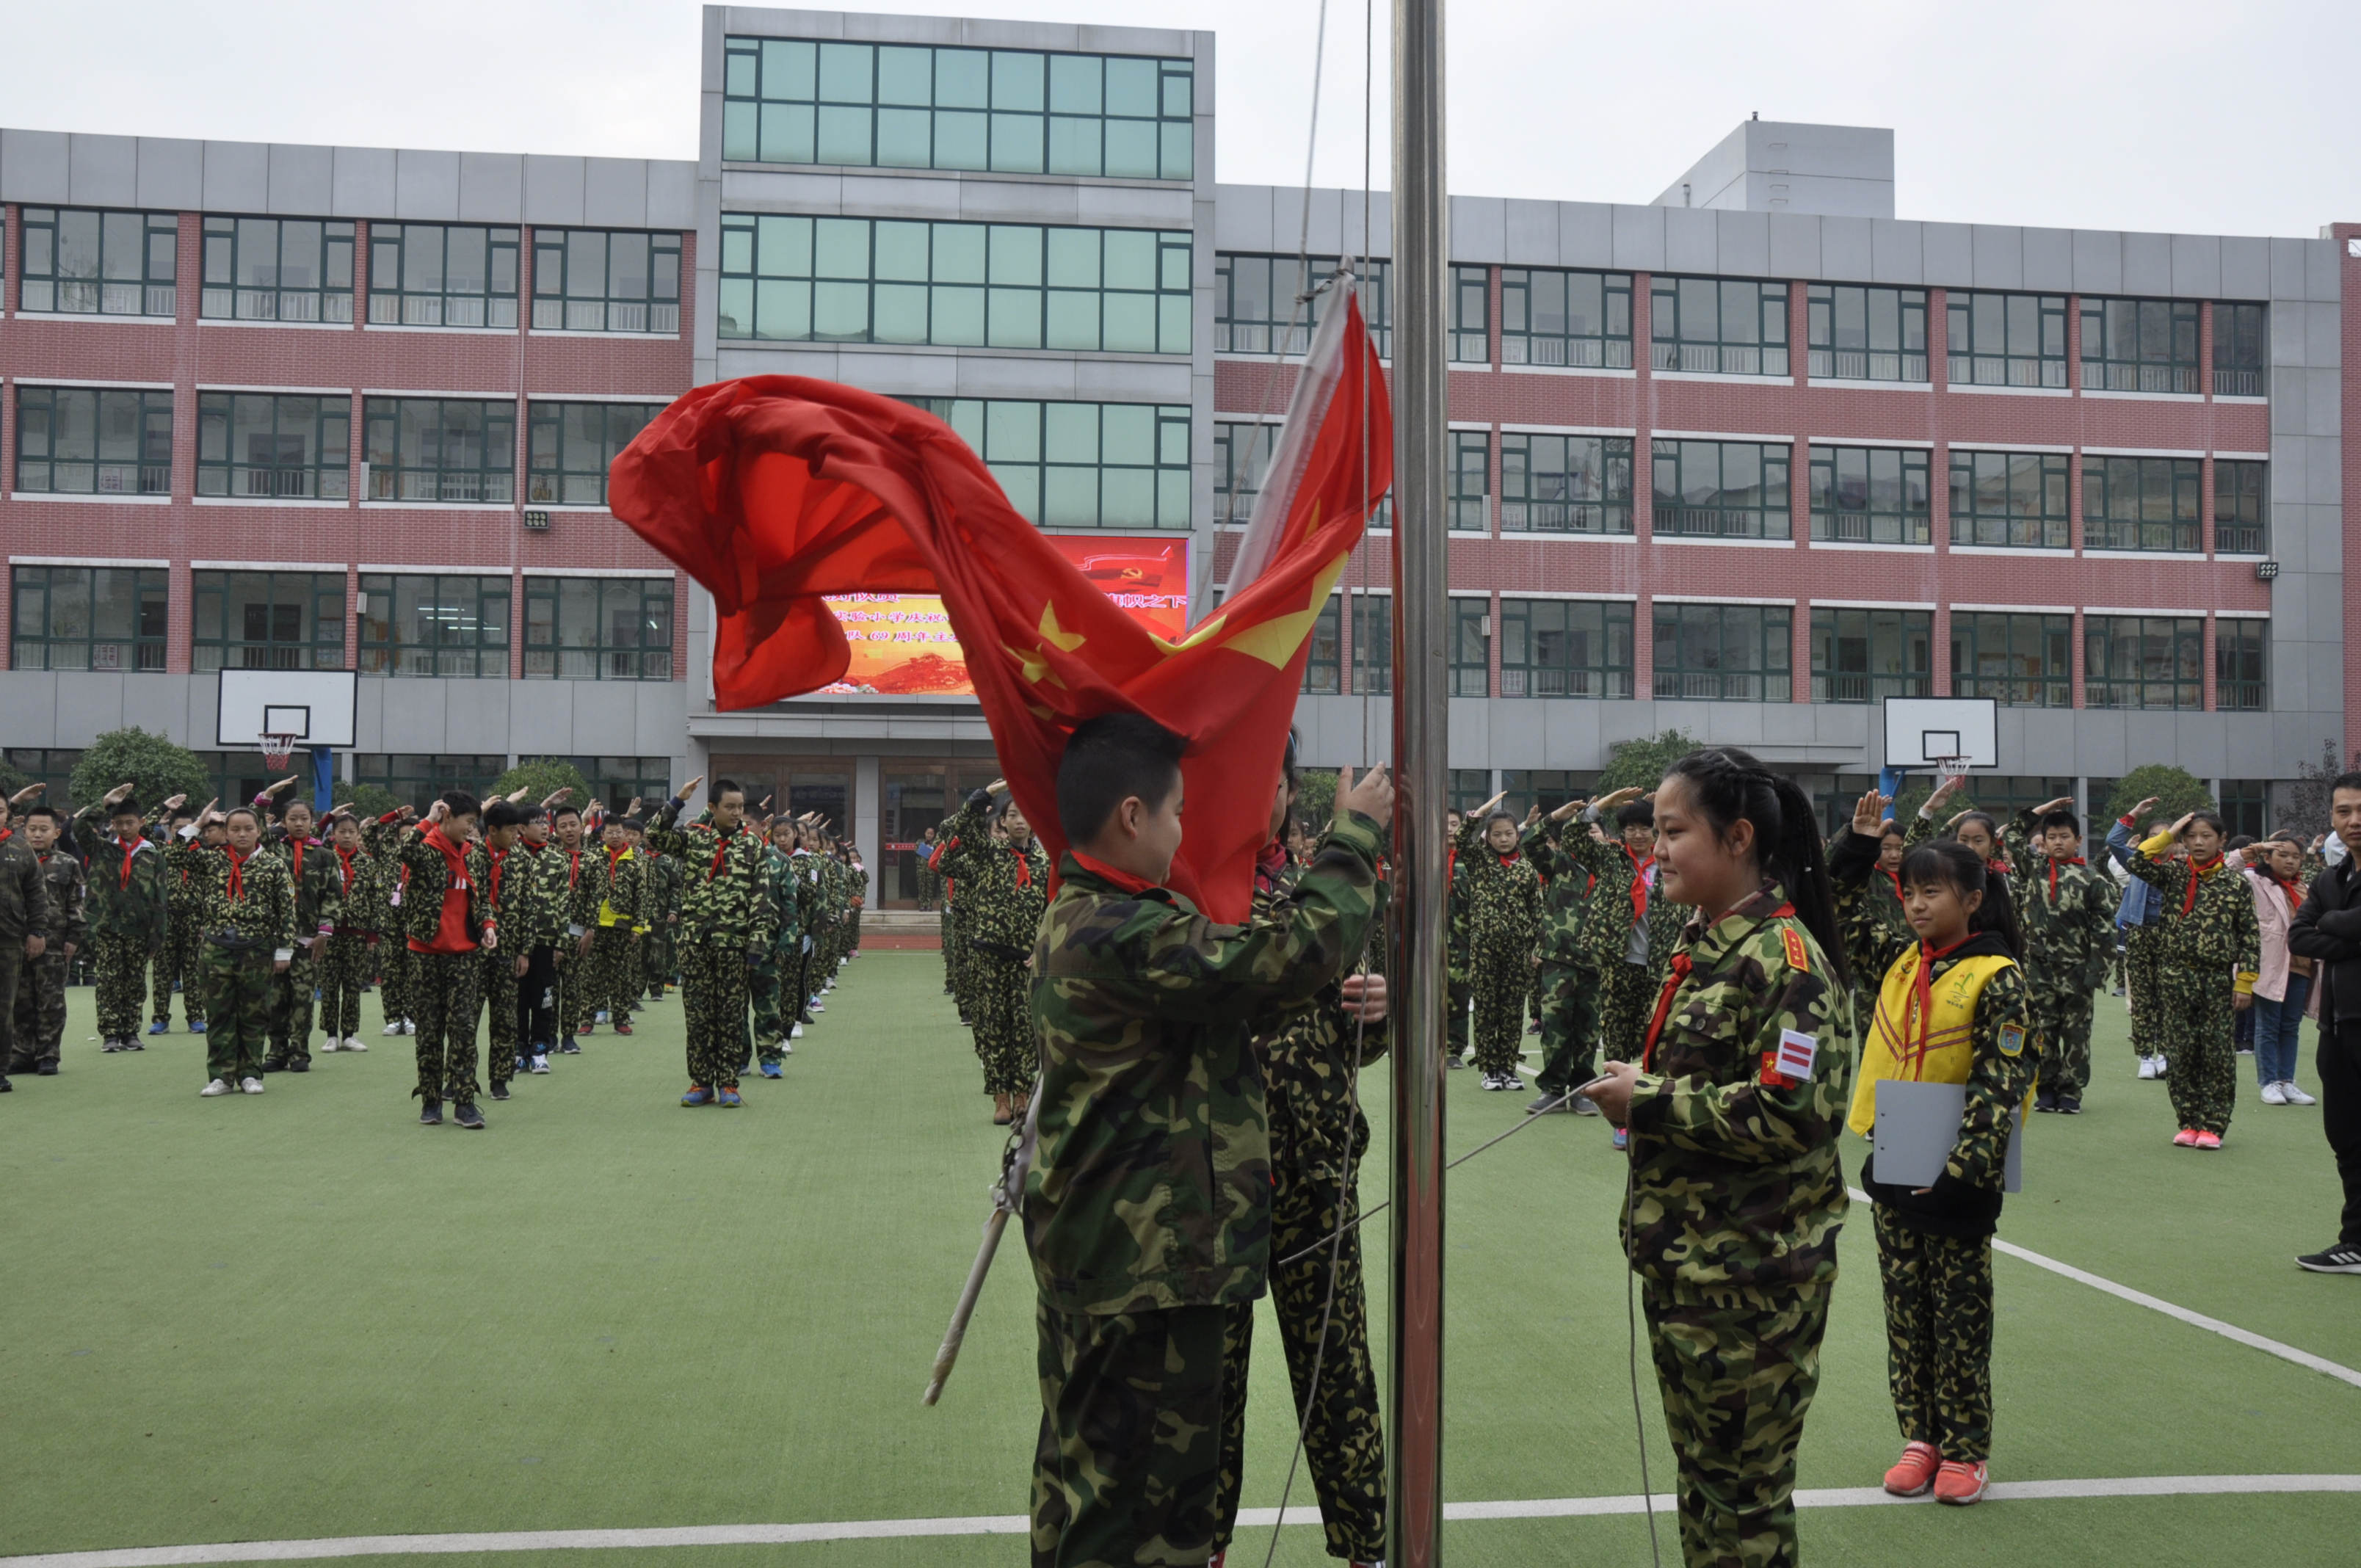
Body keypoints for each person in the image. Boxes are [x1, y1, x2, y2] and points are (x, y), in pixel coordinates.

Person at [1026, 711, 1390, 1567]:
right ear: (1132, 817)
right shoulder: (1124, 927)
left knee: (1111, 1488)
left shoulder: (1101, 915)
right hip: (1148, 1257)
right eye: (1180, 808)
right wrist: (1357, 838)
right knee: (1145, 1498)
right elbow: (1285, 959)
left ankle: (1362, 1538)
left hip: (1182, 1230)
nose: (1191, 823)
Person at [1587, 747, 1853, 1568]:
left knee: (1743, 1499)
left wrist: (1652, 1100)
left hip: (1752, 1285)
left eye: (1673, 831)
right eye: (1655, 831)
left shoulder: (1786, 963)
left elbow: (1795, 1113)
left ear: (1738, 838)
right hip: (1693, 1269)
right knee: (1705, 1481)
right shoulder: (1704, 944)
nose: (1656, 848)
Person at [1211, 736, 1391, 1568]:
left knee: (1338, 1368)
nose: (1262, 799)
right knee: (1208, 1383)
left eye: (1272, 783)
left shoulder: (1321, 884)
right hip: (1212, 1180)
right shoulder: (1190, 895)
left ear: (1290, 790)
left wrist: (1372, 1013)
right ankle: (1202, 1545)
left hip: (1317, 1165)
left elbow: (1358, 1035)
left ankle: (1366, 1543)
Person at [1851, 829, 2037, 1507]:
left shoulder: (1999, 976)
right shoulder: (1904, 960)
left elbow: (2000, 1083)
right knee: (1906, 1313)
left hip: (1960, 1178)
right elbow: (1839, 915)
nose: (1917, 905)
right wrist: (1854, 848)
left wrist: (1963, 1174)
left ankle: (1965, 1448)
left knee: (1959, 1316)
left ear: (1974, 899)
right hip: (1896, 1162)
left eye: (1934, 892)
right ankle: (1920, 1437)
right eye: (1910, 892)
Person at [2119, 802, 2260, 1148]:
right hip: (2174, 977)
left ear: (2221, 840)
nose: (2198, 843)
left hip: (2215, 979)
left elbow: (2250, 936)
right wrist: (2169, 832)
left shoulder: (2234, 883)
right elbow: (2136, 860)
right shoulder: (2174, 874)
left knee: (2217, 1055)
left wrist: (2245, 982)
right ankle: (2188, 1121)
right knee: (2180, 1054)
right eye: (2192, 836)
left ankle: (2213, 1124)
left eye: (2206, 836)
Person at [646, 775, 775, 1106]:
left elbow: (761, 897)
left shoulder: (752, 845)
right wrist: (677, 801)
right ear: (712, 808)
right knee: (699, 1015)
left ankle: (728, 1083)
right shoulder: (693, 838)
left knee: (732, 1016)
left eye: (741, 807)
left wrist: (757, 945)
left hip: (735, 945)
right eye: (729, 807)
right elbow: (654, 836)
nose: (736, 813)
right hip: (695, 944)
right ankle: (701, 1082)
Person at [938, 780, 1049, 1124]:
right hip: (988, 955)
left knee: (1026, 1029)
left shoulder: (1045, 863)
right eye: (1011, 815)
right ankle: (1000, 1098)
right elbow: (959, 829)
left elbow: (1054, 908)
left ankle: (1022, 1095)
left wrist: (1043, 949)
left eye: (1024, 816)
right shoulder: (989, 853)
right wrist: (983, 795)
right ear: (1001, 822)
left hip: (1026, 958)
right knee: (992, 1028)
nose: (1018, 821)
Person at [2288, 773, 2361, 1271]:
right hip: (2336, 1027)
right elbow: (2299, 936)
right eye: (2343, 812)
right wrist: (2346, 931)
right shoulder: (2330, 879)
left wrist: (2331, 925)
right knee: (2346, 1138)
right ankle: (2355, 1239)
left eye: (2360, 810)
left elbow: (2321, 928)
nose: (2354, 822)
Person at [2002, 800, 2114, 1114]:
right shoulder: (2033, 868)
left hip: (2077, 970)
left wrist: (2095, 974)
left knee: (2076, 1034)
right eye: (2051, 837)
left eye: (2064, 836)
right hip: (2039, 969)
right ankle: (2046, 1089)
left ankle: (2071, 1092)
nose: (2057, 842)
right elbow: (2011, 836)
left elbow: (2104, 932)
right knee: (2043, 1031)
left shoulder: (2092, 880)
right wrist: (2041, 811)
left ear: (2078, 840)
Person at [398, 792, 497, 1128]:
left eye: (475, 824)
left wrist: (487, 925)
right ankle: (430, 1101)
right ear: (447, 817)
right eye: (468, 822)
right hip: (425, 954)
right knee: (428, 1031)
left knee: (464, 1031)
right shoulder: (426, 850)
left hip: (465, 957)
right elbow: (404, 851)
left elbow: (481, 898)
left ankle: (465, 1103)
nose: (472, 830)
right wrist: (427, 819)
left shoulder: (474, 855)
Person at [186, 804, 297, 1097]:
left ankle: (250, 1073)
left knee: (255, 1014)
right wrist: (199, 823)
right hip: (216, 948)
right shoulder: (213, 861)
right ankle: (221, 1076)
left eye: (248, 828)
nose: (242, 834)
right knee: (219, 1013)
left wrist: (284, 951)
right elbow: (175, 854)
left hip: (256, 949)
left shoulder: (273, 865)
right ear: (225, 832)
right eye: (235, 829)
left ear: (259, 831)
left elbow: (286, 910)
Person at [1519, 796, 1604, 1114]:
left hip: (1596, 961)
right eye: (1584, 832)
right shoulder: (1561, 863)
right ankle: (1553, 1090)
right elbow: (1527, 843)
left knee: (1588, 1029)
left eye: (1594, 832)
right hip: (1558, 958)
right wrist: (1554, 817)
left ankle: (1582, 1090)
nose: (1589, 837)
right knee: (1555, 1024)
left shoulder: (1611, 867)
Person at [1451, 792, 1540, 1092]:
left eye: (1509, 834)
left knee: (1514, 1010)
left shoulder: (1527, 869)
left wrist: (1536, 949)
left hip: (1518, 950)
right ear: (1488, 838)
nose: (1504, 839)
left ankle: (1509, 1068)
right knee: (1488, 1010)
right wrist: (1477, 815)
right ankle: (1490, 1069)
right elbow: (1462, 839)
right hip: (1485, 949)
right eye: (1497, 834)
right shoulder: (1480, 862)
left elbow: (1536, 912)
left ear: (1518, 835)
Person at [74, 784, 170, 1053]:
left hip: (140, 930)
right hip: (107, 928)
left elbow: (161, 899)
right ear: (113, 825)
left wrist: (157, 935)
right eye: (119, 823)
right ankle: (110, 1034)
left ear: (141, 822)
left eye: (130, 823)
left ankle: (130, 1032)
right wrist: (104, 803)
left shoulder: (153, 855)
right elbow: (79, 827)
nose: (125, 828)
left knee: (135, 981)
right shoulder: (103, 849)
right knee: (107, 981)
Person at [259, 783, 345, 1075]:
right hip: (274, 939)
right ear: (284, 821)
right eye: (293, 818)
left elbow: (333, 896)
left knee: (303, 999)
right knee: (275, 999)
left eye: (304, 818)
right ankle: (276, 1051)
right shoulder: (271, 849)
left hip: (309, 940)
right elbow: (253, 827)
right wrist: (265, 799)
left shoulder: (325, 856)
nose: (298, 823)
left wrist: (324, 933)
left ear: (312, 821)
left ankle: (300, 1053)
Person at [10, 802, 84, 1079]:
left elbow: (76, 905)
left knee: (51, 1001)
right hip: (17, 941)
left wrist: (74, 938)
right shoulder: (13, 859)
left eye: (44, 829)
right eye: (32, 829)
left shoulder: (68, 863)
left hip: (54, 943)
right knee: (20, 1000)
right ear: (22, 830)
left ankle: (48, 1055)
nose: (37, 835)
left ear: (56, 833)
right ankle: (22, 1053)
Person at [2246, 832, 2318, 1107]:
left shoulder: (2306, 889)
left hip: (2301, 965)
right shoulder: (2255, 881)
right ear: (2268, 857)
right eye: (2283, 854)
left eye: (2296, 856)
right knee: (2268, 1025)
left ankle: (2287, 1081)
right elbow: (2228, 866)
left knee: (2290, 1026)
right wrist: (2255, 847)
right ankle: (2268, 1083)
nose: (2290, 861)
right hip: (2271, 965)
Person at [2108, 813, 2177, 1081]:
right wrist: (2133, 814)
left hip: (2170, 937)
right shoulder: (2137, 863)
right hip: (2139, 934)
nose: (2160, 841)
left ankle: (2165, 1054)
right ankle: (2146, 1056)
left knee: (2168, 999)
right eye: (2153, 837)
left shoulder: (2180, 867)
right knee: (2142, 1000)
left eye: (2166, 836)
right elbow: (2113, 842)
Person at [476, 799, 532, 1103]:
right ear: (493, 830)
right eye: (511, 830)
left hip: (508, 950)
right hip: (472, 951)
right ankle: (459, 1077)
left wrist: (524, 951)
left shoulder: (522, 860)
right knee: (465, 1018)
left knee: (505, 1018)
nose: (516, 836)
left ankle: (499, 1077)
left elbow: (527, 908)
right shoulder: (471, 856)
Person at [511, 800, 570, 1075]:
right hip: (516, 944)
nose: (546, 828)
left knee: (544, 997)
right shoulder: (512, 857)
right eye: (539, 823)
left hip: (546, 942)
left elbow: (563, 904)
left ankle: (540, 1049)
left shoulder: (558, 859)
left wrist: (561, 943)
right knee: (518, 998)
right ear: (521, 828)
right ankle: (519, 1048)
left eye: (547, 823)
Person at [0, 792, 54, 1093]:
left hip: (8, 940)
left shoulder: (20, 848)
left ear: (8, 814)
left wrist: (37, 932)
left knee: (4, 1009)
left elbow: (36, 893)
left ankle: (0, 1070)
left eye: (0, 810)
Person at [318, 810, 380, 1054]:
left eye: (351, 832)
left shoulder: (368, 863)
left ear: (358, 835)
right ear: (333, 835)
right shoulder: (324, 859)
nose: (346, 836)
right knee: (330, 984)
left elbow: (375, 899)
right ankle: (331, 1034)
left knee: (353, 985)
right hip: (328, 932)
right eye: (341, 832)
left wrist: (372, 934)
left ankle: (350, 1034)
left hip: (357, 932)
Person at [149, 802, 206, 1037]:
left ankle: (195, 1017)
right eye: (178, 828)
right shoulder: (161, 851)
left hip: (194, 918)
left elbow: (210, 890)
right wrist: (160, 810)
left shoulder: (202, 856)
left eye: (188, 827)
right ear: (171, 829)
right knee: (163, 971)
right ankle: (160, 1018)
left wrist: (206, 920)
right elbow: (142, 830)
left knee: (193, 970)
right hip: (166, 918)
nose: (183, 831)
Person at [585, 812, 645, 1036]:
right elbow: (584, 892)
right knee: (591, 976)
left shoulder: (635, 862)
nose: (616, 836)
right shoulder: (593, 858)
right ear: (603, 834)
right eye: (611, 832)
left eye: (619, 831)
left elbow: (641, 896)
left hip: (623, 926)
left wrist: (638, 927)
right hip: (595, 925)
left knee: (621, 977)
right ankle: (587, 1019)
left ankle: (620, 1019)